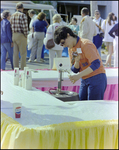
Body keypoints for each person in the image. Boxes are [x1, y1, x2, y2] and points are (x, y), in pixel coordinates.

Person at [54, 26, 107, 100]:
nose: (64, 46)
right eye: (62, 45)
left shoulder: (85, 44)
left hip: (96, 77)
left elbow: (96, 64)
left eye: (63, 42)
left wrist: (79, 76)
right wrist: (77, 61)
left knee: (93, 107)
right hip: (84, 80)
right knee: (82, 105)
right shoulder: (71, 49)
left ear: (68, 35)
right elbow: (75, 70)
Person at [10, 2, 28, 70]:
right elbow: (25, 27)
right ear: (22, 8)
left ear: (16, 8)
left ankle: (16, 68)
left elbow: (10, 26)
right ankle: (23, 68)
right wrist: (26, 36)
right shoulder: (23, 15)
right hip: (21, 35)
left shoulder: (12, 15)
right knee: (23, 53)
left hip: (14, 35)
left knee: (15, 53)